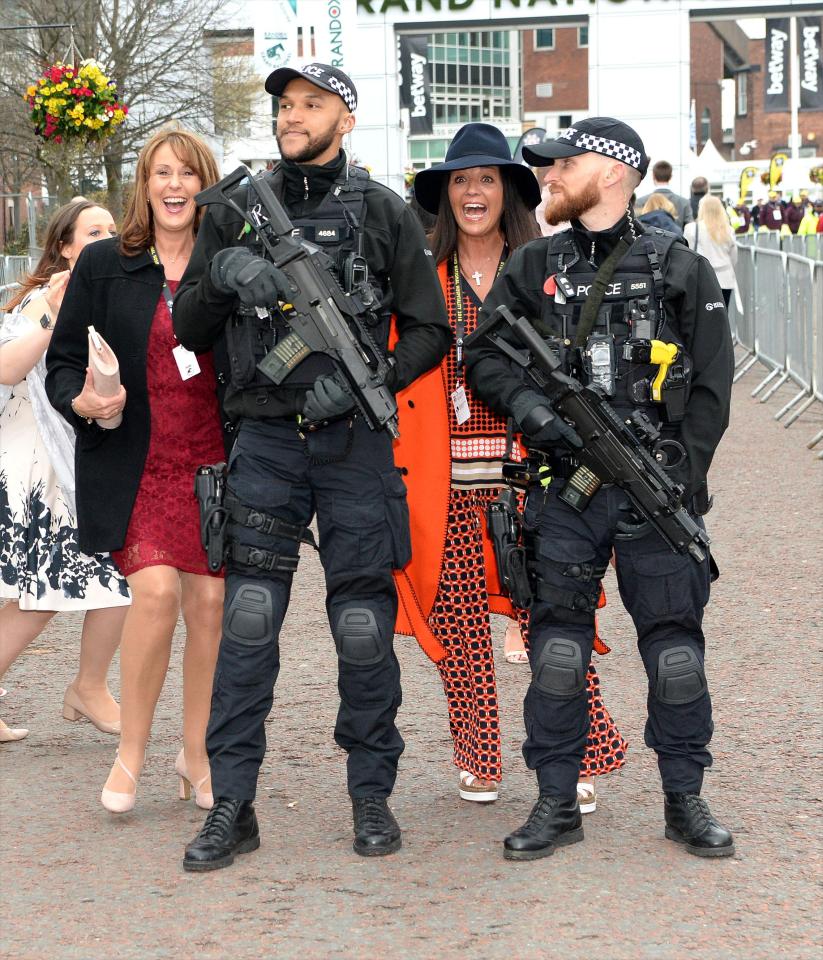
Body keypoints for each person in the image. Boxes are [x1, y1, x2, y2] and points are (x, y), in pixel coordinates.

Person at [172, 62, 450, 871]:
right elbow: (190, 326)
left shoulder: (384, 211)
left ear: (346, 119)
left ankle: (371, 794)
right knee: (250, 621)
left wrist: (366, 384)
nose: (292, 116)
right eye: (285, 105)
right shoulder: (230, 209)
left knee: (361, 626)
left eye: (310, 104)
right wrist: (222, 273)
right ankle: (233, 804)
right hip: (261, 439)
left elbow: (429, 330)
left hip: (354, 443)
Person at [466, 116, 735, 861]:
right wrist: (530, 411)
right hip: (564, 494)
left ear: (612, 172)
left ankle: (685, 799)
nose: (547, 178)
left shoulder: (681, 268)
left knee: (675, 653)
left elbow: (712, 383)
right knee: (556, 650)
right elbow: (484, 358)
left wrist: (683, 477)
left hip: (655, 492)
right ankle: (555, 801)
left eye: (564, 165)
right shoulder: (532, 265)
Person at [394, 122, 627, 809]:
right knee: (460, 625)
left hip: (535, 479)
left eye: (486, 180)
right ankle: (478, 755)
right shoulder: (422, 279)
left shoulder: (541, 269)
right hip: (446, 482)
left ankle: (576, 751)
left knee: (554, 621)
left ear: (508, 193)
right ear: (444, 196)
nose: (472, 192)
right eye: (460, 181)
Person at [46, 128, 225, 814]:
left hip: (214, 462)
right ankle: (131, 753)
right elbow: (63, 362)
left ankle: (195, 752)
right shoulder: (103, 263)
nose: (174, 186)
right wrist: (84, 401)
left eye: (187, 174)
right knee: (153, 593)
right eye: (161, 174)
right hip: (137, 461)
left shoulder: (228, 263)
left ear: (203, 185)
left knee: (209, 605)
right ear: (144, 186)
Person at [1, 199, 130, 742]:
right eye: (92, 230)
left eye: (110, 229)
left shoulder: (101, 295)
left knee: (44, 592)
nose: (105, 237)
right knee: (60, 590)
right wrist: (57, 322)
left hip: (65, 470)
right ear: (65, 246)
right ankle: (89, 688)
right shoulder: (42, 299)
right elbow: (7, 368)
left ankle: (88, 686)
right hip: (35, 475)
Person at [684, 195, 738, 308]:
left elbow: (686, 253)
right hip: (725, 278)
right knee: (722, 314)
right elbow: (734, 257)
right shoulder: (728, 230)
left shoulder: (691, 228)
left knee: (703, 315)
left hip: (701, 278)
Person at [637, 160, 692, 228]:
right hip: (677, 237)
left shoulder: (640, 202)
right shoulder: (684, 203)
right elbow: (689, 228)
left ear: (653, 176)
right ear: (671, 176)